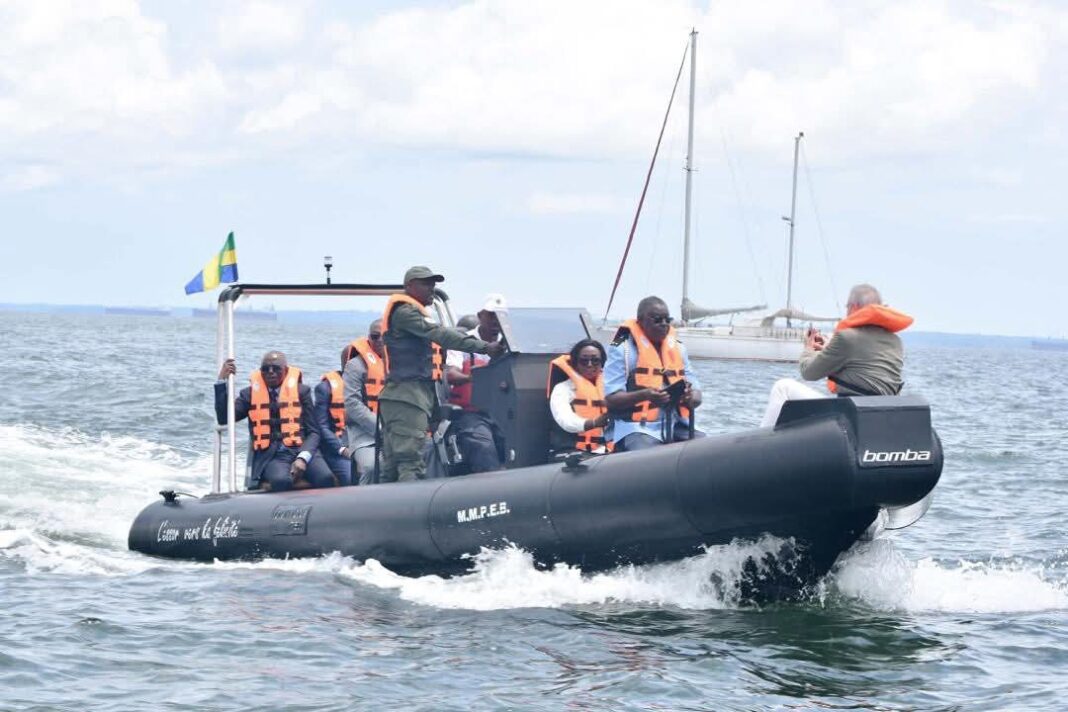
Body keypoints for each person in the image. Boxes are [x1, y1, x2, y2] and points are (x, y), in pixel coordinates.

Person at [378, 266, 506, 483]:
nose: (431, 288)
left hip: (411, 395)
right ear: (409, 286)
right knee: (411, 462)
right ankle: (411, 503)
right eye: (425, 284)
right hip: (407, 397)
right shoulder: (406, 313)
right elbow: (439, 334)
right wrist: (484, 347)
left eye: (433, 284)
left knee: (393, 465)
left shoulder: (412, 313)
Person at [759, 283, 913, 427]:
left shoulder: (847, 338)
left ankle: (762, 439)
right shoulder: (896, 342)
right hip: (878, 415)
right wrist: (828, 349)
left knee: (782, 387)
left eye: (847, 307)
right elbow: (862, 367)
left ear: (854, 307)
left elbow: (808, 372)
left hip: (850, 413)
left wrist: (809, 349)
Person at [215, 351, 336, 491]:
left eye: (276, 368)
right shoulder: (249, 394)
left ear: (285, 370)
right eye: (266, 369)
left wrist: (303, 457)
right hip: (273, 455)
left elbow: (314, 432)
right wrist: (221, 381)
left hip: (301, 449)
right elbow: (224, 418)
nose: (270, 372)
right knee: (282, 481)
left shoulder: (302, 392)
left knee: (325, 478)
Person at [604, 296, 703, 451]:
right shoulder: (621, 348)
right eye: (657, 320)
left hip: (675, 424)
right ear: (640, 321)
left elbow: (697, 392)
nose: (664, 324)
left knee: (707, 449)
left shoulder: (679, 349)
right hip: (637, 428)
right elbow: (610, 399)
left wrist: (692, 397)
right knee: (648, 454)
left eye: (667, 320)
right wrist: (645, 395)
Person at [444, 294, 510, 473]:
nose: (496, 320)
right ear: (481, 315)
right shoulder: (463, 342)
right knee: (483, 447)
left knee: (519, 445)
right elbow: (450, 374)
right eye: (491, 315)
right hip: (472, 413)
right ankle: (490, 486)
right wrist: (473, 377)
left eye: (501, 315)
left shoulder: (511, 344)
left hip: (504, 413)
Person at [342, 319, 388, 485]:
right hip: (365, 434)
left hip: (397, 430)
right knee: (372, 466)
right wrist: (380, 428)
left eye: (384, 336)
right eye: (375, 337)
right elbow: (352, 404)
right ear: (369, 338)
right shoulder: (355, 366)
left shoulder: (401, 363)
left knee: (422, 456)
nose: (380, 340)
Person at [547, 338, 612, 455]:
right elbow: (565, 420)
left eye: (595, 360)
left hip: (607, 452)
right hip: (573, 452)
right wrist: (594, 423)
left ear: (602, 363)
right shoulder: (563, 389)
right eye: (584, 361)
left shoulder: (612, 387)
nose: (590, 365)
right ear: (575, 364)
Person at [314, 345, 357, 486]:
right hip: (338, 448)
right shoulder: (325, 388)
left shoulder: (368, 385)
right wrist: (341, 449)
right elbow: (321, 426)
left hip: (363, 443)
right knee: (351, 477)